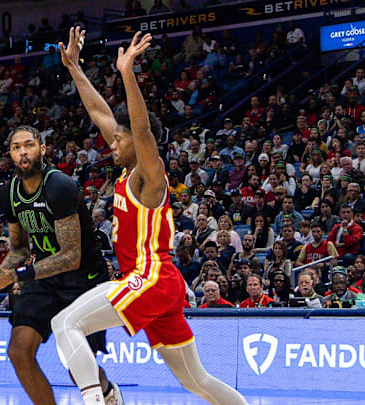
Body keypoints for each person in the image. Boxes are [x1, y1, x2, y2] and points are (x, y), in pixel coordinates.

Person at [50, 29, 247, 405]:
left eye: (120, 139)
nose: (112, 143)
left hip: (150, 276)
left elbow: (139, 130)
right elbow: (99, 113)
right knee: (196, 381)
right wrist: (75, 66)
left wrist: (127, 73)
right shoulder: (127, 169)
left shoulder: (149, 174)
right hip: (160, 285)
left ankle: (100, 399)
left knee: (66, 323)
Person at [0, 125, 123, 404]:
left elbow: (70, 256)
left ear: (42, 149)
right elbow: (18, 248)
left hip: (83, 278)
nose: (23, 151)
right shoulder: (9, 192)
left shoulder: (60, 186)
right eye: (16, 147)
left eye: (29, 145)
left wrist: (15, 275)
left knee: (77, 366)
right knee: (18, 350)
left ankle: (107, 391)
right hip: (43, 277)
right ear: (11, 155)